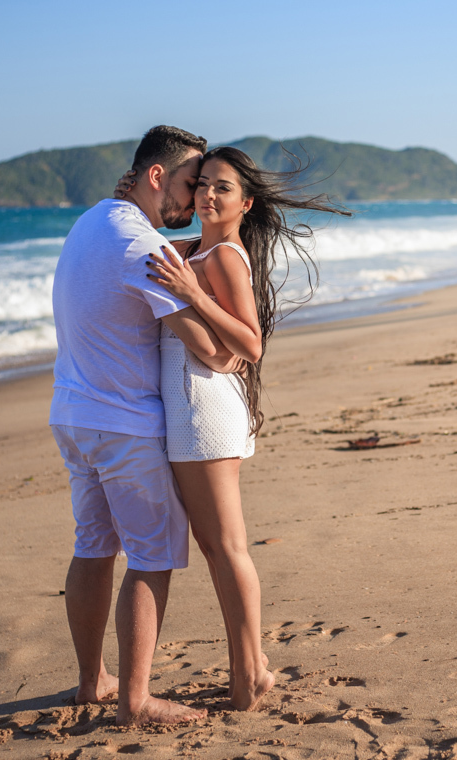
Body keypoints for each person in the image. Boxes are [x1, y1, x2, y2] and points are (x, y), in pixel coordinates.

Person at [118, 146, 349, 710]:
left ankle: (247, 679)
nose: (208, 195)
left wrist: (194, 295)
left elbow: (251, 343)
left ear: (245, 203)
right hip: (193, 407)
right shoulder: (193, 248)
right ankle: (255, 669)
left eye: (223, 188)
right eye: (203, 185)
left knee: (226, 548)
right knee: (219, 547)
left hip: (204, 412)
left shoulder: (223, 256)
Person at [49, 125, 239, 726]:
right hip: (124, 426)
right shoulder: (143, 250)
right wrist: (227, 346)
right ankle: (135, 699)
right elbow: (210, 350)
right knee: (151, 557)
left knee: (93, 547)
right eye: (189, 183)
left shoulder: (92, 223)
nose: (192, 199)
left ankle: (91, 681)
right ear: (157, 176)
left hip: (73, 415)